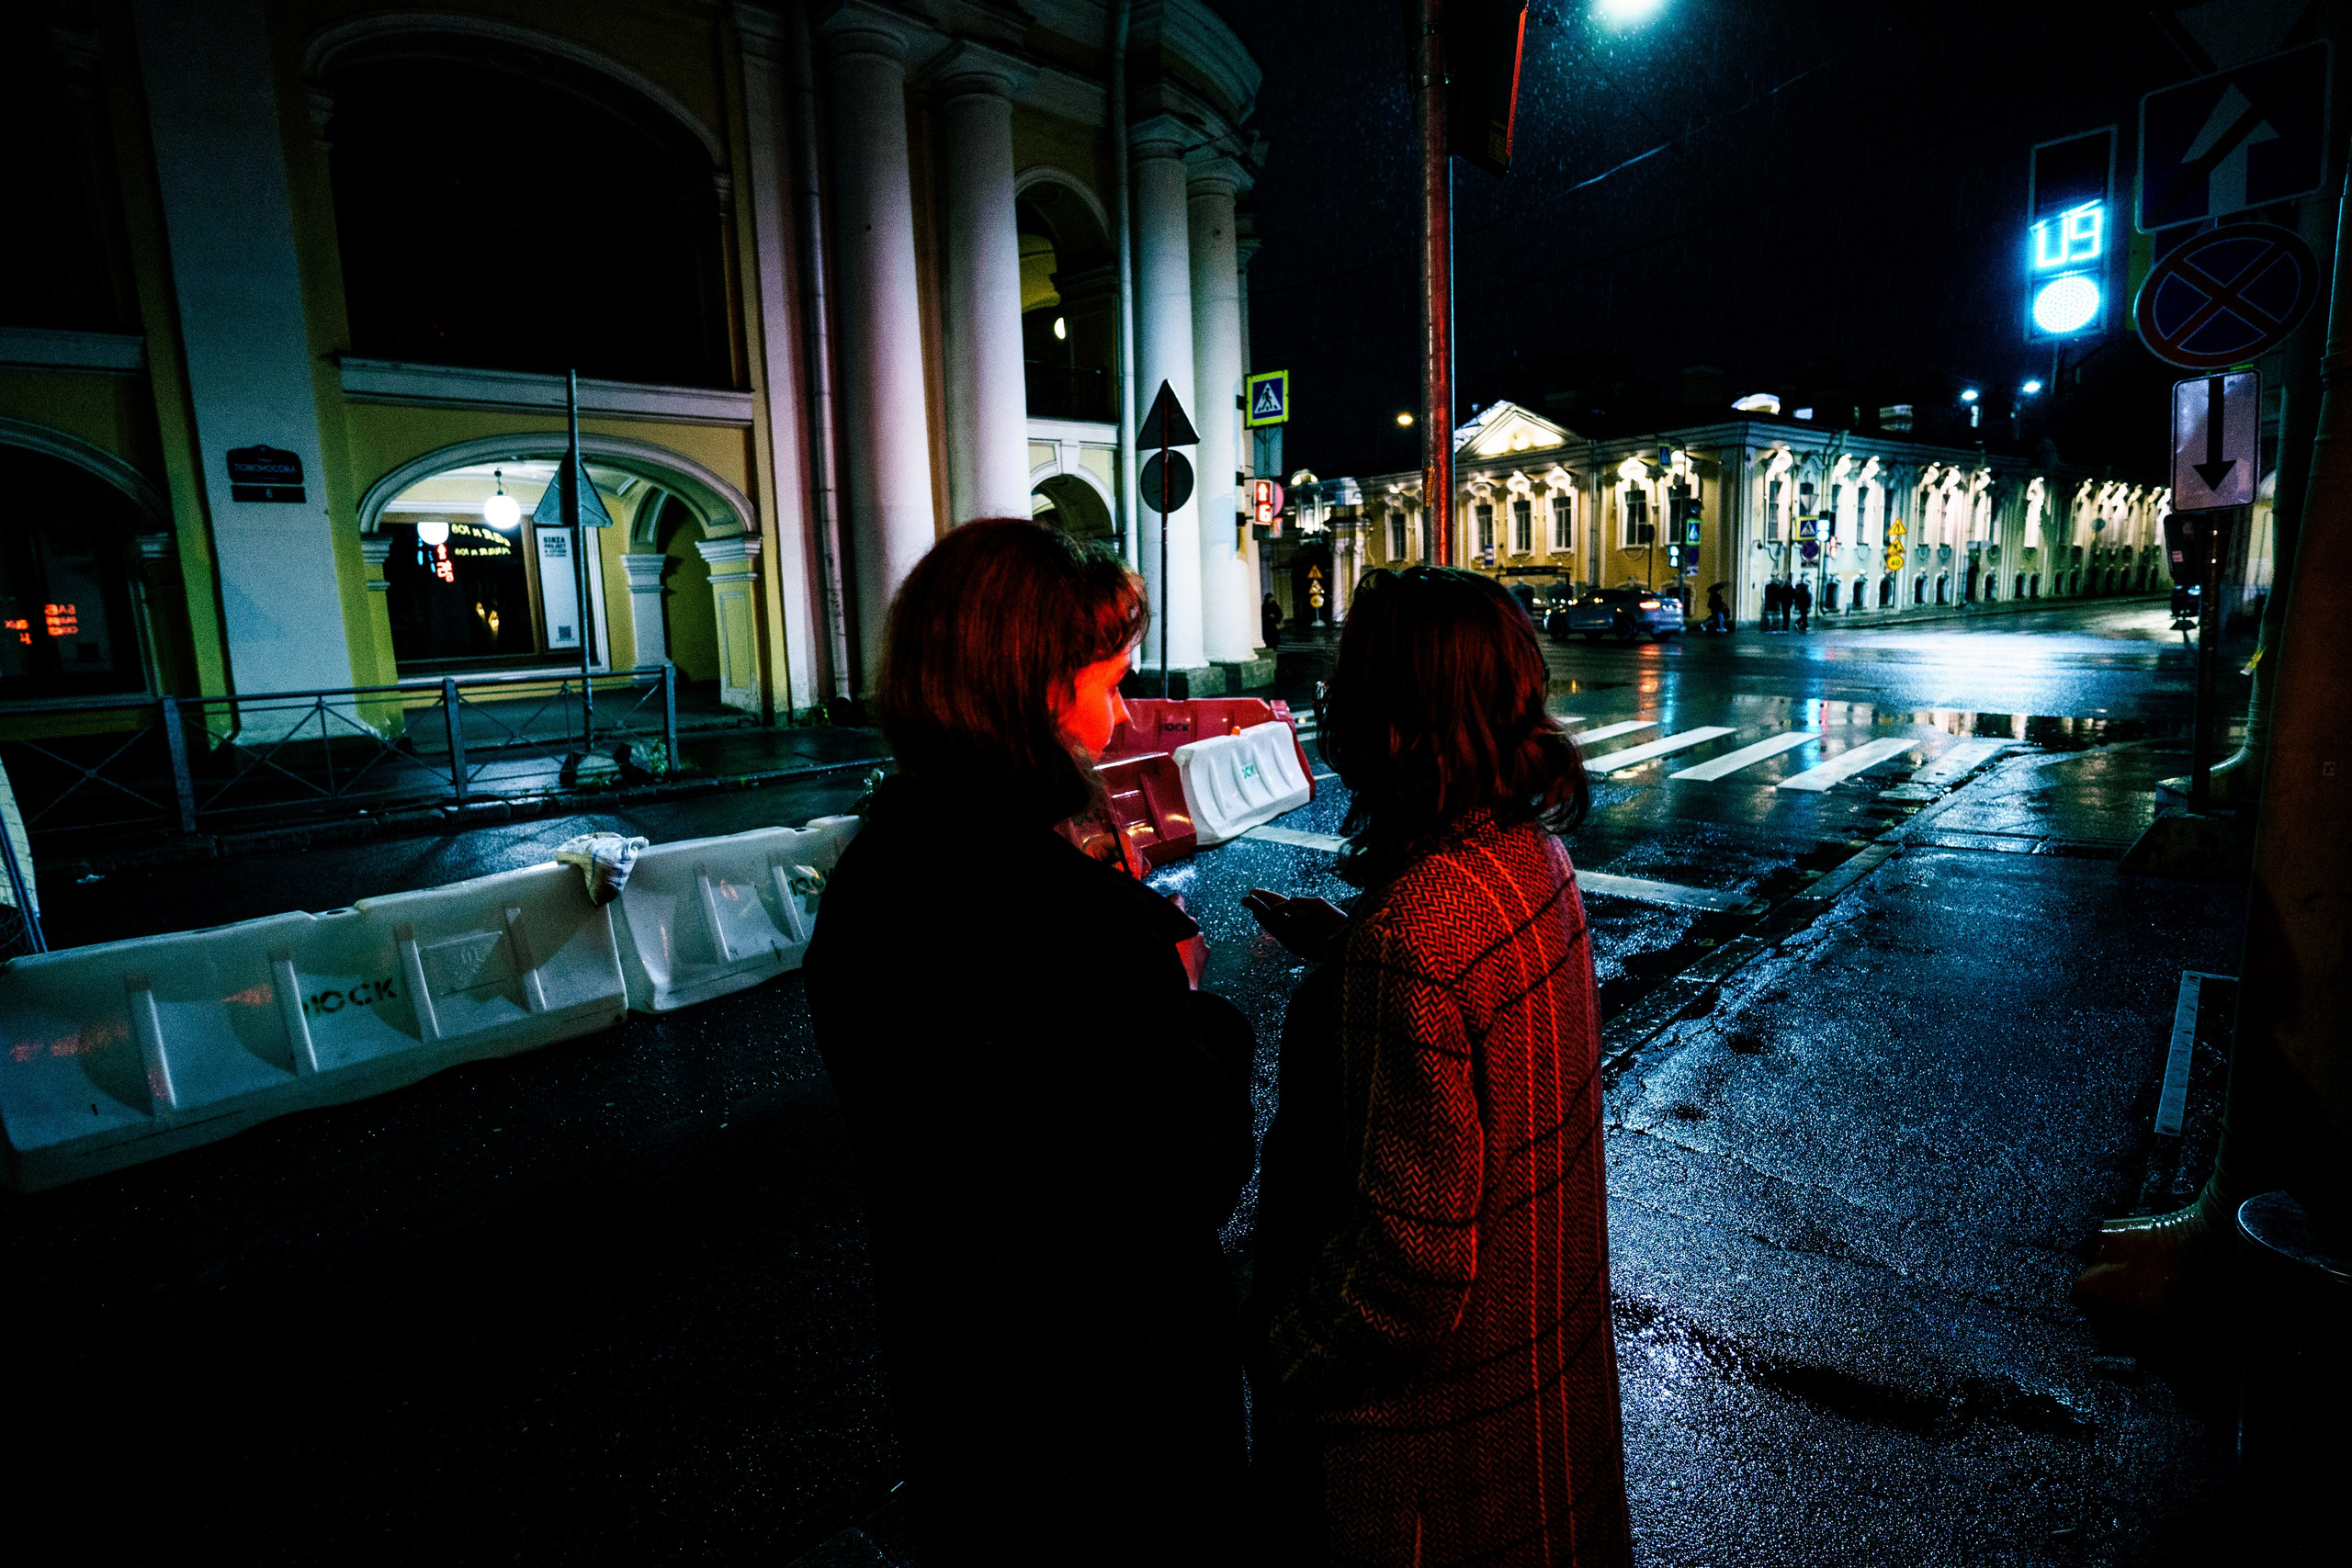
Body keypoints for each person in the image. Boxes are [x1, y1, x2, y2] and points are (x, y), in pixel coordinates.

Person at [805, 519, 1256, 1566]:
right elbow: (1196, 1166)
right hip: (1113, 1417)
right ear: (1034, 688)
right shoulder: (1069, 916)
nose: (1118, 715)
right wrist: (1194, 1005)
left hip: (962, 1382)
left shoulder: (873, 882)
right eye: (1106, 684)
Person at [1241, 566, 1632, 1568]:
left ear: (1391, 715)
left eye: (1347, 680)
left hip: (1430, 1452)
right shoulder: (1525, 852)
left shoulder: (1416, 930)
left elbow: (1408, 1273)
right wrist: (1351, 945)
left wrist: (1281, 1358)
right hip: (1538, 1386)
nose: (1331, 700)